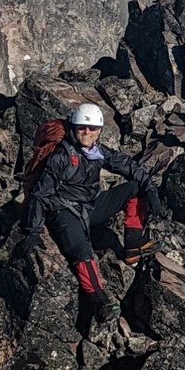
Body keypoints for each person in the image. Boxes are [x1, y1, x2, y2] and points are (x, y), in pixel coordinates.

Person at [17, 102, 163, 323]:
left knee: (134, 187)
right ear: (74, 128)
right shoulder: (61, 156)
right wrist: (33, 232)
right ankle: (99, 300)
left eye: (93, 128)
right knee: (81, 250)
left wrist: (150, 189)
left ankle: (133, 245)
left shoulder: (97, 152)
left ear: (100, 131)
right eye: (82, 128)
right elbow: (40, 194)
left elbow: (127, 165)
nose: (87, 132)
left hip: (89, 207)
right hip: (64, 211)